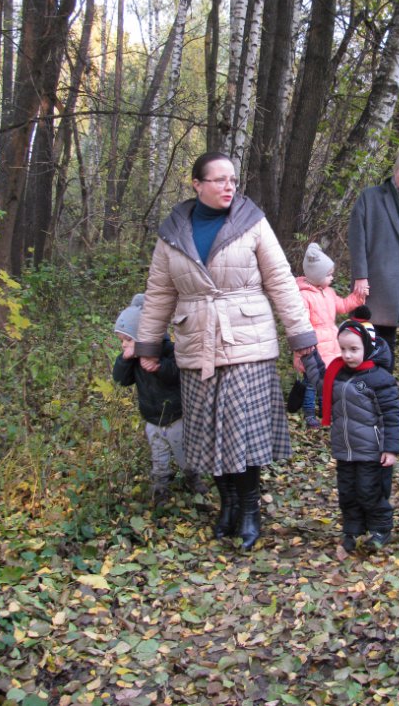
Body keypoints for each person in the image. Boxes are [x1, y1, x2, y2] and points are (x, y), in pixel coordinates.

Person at [135, 151, 317, 551]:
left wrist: (301, 339)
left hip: (247, 343)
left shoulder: (252, 223)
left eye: (232, 179)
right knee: (208, 433)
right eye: (218, 180)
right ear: (197, 185)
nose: (228, 186)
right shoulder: (172, 234)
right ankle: (228, 505)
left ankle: (250, 510)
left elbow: (282, 282)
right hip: (196, 345)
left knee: (242, 434)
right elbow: (159, 293)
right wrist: (147, 345)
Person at [302, 314, 399, 552]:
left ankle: (380, 529)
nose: (347, 355)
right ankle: (353, 530)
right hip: (344, 450)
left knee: (370, 491)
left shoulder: (380, 379)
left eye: (354, 349)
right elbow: (320, 382)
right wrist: (309, 356)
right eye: (343, 349)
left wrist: (390, 448)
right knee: (348, 492)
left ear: (368, 347)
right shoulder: (338, 373)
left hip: (371, 451)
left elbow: (391, 415)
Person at [113, 294, 205, 505]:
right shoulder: (133, 361)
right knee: (159, 455)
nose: (124, 345)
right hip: (152, 417)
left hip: (176, 416)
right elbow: (121, 379)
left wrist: (159, 367)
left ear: (144, 337)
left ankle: (193, 477)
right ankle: (160, 487)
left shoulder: (169, 351)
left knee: (184, 452)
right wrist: (125, 360)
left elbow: (177, 374)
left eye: (128, 340)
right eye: (122, 341)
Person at [348, 150, 399, 369]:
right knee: (362, 342)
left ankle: (383, 394)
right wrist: (360, 277)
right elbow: (357, 239)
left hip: (395, 288)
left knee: (386, 347)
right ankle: (360, 394)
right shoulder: (370, 197)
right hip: (370, 283)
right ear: (396, 169)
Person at [294, 243, 364, 427]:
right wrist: (302, 349)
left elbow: (342, 306)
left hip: (331, 345)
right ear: (317, 276)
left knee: (328, 380)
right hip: (312, 346)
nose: (332, 277)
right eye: (329, 274)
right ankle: (309, 414)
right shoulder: (303, 296)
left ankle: (326, 410)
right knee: (310, 382)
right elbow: (300, 323)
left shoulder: (329, 292)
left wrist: (357, 298)